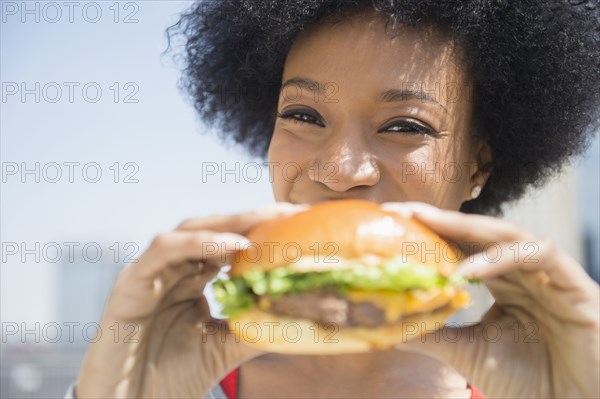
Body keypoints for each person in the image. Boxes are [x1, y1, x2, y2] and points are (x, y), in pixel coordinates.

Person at [71, 0, 600, 398]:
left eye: (404, 125)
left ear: (476, 167)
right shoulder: (170, 382)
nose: (341, 171)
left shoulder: (543, 383)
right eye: (303, 116)